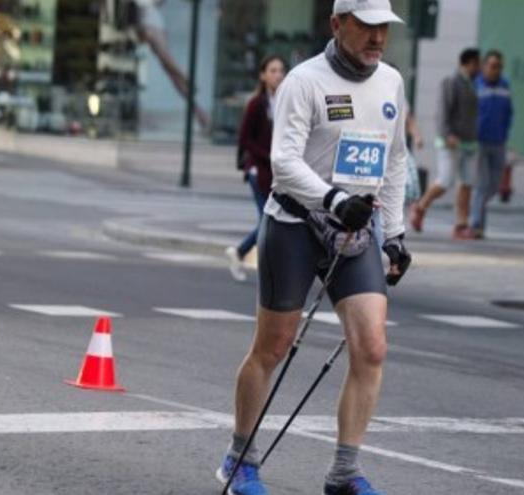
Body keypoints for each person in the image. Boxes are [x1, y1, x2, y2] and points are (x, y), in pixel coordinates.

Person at [215, 1, 411, 494]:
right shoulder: (304, 81)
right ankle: (240, 458)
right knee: (273, 346)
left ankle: (345, 472)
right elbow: (283, 163)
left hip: (355, 231)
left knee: (372, 346)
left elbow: (395, 161)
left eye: (383, 27)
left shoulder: (391, 82)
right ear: (337, 24)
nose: (376, 38)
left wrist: (395, 234)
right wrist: (332, 198)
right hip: (296, 224)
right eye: (365, 26)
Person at [225, 55, 287, 282]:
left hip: (276, 172)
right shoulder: (256, 103)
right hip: (257, 170)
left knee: (272, 220)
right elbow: (245, 138)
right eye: (272, 70)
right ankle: (246, 254)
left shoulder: (284, 101)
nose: (278, 75)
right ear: (263, 75)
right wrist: (264, 156)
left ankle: (241, 253)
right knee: (267, 220)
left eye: (281, 70)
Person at [408, 48, 480, 239]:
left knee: (466, 183)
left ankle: (461, 224)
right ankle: (420, 206)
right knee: (445, 180)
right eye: (476, 64)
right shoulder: (452, 82)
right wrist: (447, 134)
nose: (478, 68)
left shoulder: (472, 84)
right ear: (469, 63)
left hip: (469, 143)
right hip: (450, 142)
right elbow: (442, 112)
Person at [132, 0, 210, 130]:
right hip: (143, 19)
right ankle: (200, 113)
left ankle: (189, 83)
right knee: (169, 70)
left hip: (148, 19)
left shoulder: (148, 12)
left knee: (168, 63)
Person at [461, 50, 513, 240]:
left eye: (498, 66)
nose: (495, 70)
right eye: (492, 66)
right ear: (484, 67)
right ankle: (476, 224)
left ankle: (477, 217)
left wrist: (505, 133)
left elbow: (509, 113)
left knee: (494, 186)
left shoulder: (505, 86)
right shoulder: (476, 86)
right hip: (479, 143)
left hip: (499, 142)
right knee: (482, 185)